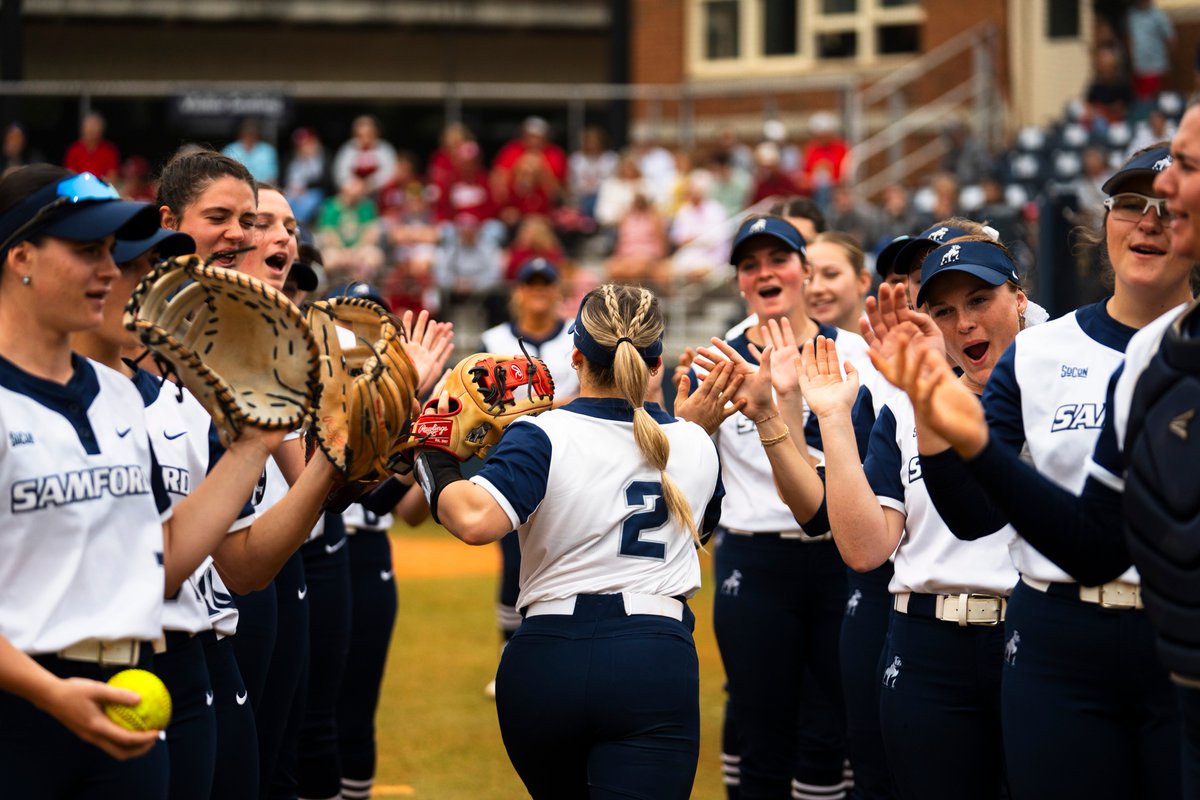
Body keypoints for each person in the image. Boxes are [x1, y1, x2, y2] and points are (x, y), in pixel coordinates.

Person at [883, 101, 1200, 796]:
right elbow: (973, 515)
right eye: (1128, 203)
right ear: (1103, 223)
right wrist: (933, 411)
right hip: (1058, 636)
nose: (1147, 219)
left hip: (1178, 637)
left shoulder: (1167, 355)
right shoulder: (1040, 352)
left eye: (1164, 203)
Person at [0, 165, 284, 799]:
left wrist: (252, 446)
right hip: (21, 714)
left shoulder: (116, 393)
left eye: (110, 251)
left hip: (128, 704)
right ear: (20, 256)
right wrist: (51, 693)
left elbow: (153, 568)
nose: (110, 270)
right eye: (86, 250)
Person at [413, 282, 723, 798]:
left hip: (546, 657)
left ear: (575, 356)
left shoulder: (541, 432)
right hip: (652, 658)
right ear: (656, 364)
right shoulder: (694, 441)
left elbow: (472, 521)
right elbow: (698, 533)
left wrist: (432, 452)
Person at [801, 237, 1031, 800]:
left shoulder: (1057, 389)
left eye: (980, 301)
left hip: (1033, 635)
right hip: (925, 645)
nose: (965, 324)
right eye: (945, 311)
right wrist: (832, 419)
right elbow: (864, 549)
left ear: (1019, 301)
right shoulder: (904, 405)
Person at [699, 215, 880, 800]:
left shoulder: (851, 352)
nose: (764, 273)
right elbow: (702, 468)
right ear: (740, 282)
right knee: (761, 732)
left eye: (778, 259)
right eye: (750, 265)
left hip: (835, 559)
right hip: (754, 560)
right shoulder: (721, 355)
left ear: (805, 270)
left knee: (832, 729)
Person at [477, 257, 581, 697]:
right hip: (515, 461)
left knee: (568, 558)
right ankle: (510, 657)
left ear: (559, 289)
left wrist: (531, 411)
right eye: (531, 283)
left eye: (546, 283)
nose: (538, 291)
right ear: (517, 290)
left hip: (573, 461)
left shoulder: (579, 334)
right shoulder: (496, 339)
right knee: (513, 562)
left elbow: (587, 394)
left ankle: (562, 656)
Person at [806, 232, 872, 334]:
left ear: (863, 281)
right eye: (807, 278)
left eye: (831, 274)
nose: (816, 288)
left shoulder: (894, 339)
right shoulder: (784, 347)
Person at [1126, 0, 1176, 103]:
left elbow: (1170, 39)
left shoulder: (1159, 15)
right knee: (1141, 102)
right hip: (1138, 68)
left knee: (1155, 102)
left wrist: (1170, 61)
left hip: (1156, 67)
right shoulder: (1132, 15)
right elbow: (1130, 38)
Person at [64, 112, 120, 184]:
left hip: (102, 190)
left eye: (94, 127)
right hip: (79, 189)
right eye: (88, 127)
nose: (91, 131)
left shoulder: (109, 150)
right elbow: (69, 175)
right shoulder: (74, 150)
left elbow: (112, 177)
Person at [222, 119, 279, 184]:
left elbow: (272, 177)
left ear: (257, 135)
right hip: (236, 186)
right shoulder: (230, 148)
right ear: (241, 135)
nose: (249, 138)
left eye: (252, 135)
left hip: (262, 186)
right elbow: (224, 173)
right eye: (247, 135)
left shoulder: (268, 150)